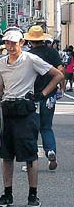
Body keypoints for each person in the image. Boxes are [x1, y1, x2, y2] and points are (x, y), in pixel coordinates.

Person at [0, 28, 63, 207]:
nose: (10, 46)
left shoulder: (30, 59)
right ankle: (7, 194)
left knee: (30, 155)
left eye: (14, 43)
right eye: (7, 43)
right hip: (8, 109)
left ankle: (33, 195)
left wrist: (42, 94)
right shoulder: (0, 63)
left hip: (26, 111)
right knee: (6, 155)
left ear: (22, 43)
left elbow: (58, 75)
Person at [25, 25, 65, 170]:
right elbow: (61, 71)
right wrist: (61, 87)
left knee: (32, 128)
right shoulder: (53, 53)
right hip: (50, 95)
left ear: (30, 41)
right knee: (47, 126)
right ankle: (51, 151)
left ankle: (32, 159)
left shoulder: (28, 55)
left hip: (33, 96)